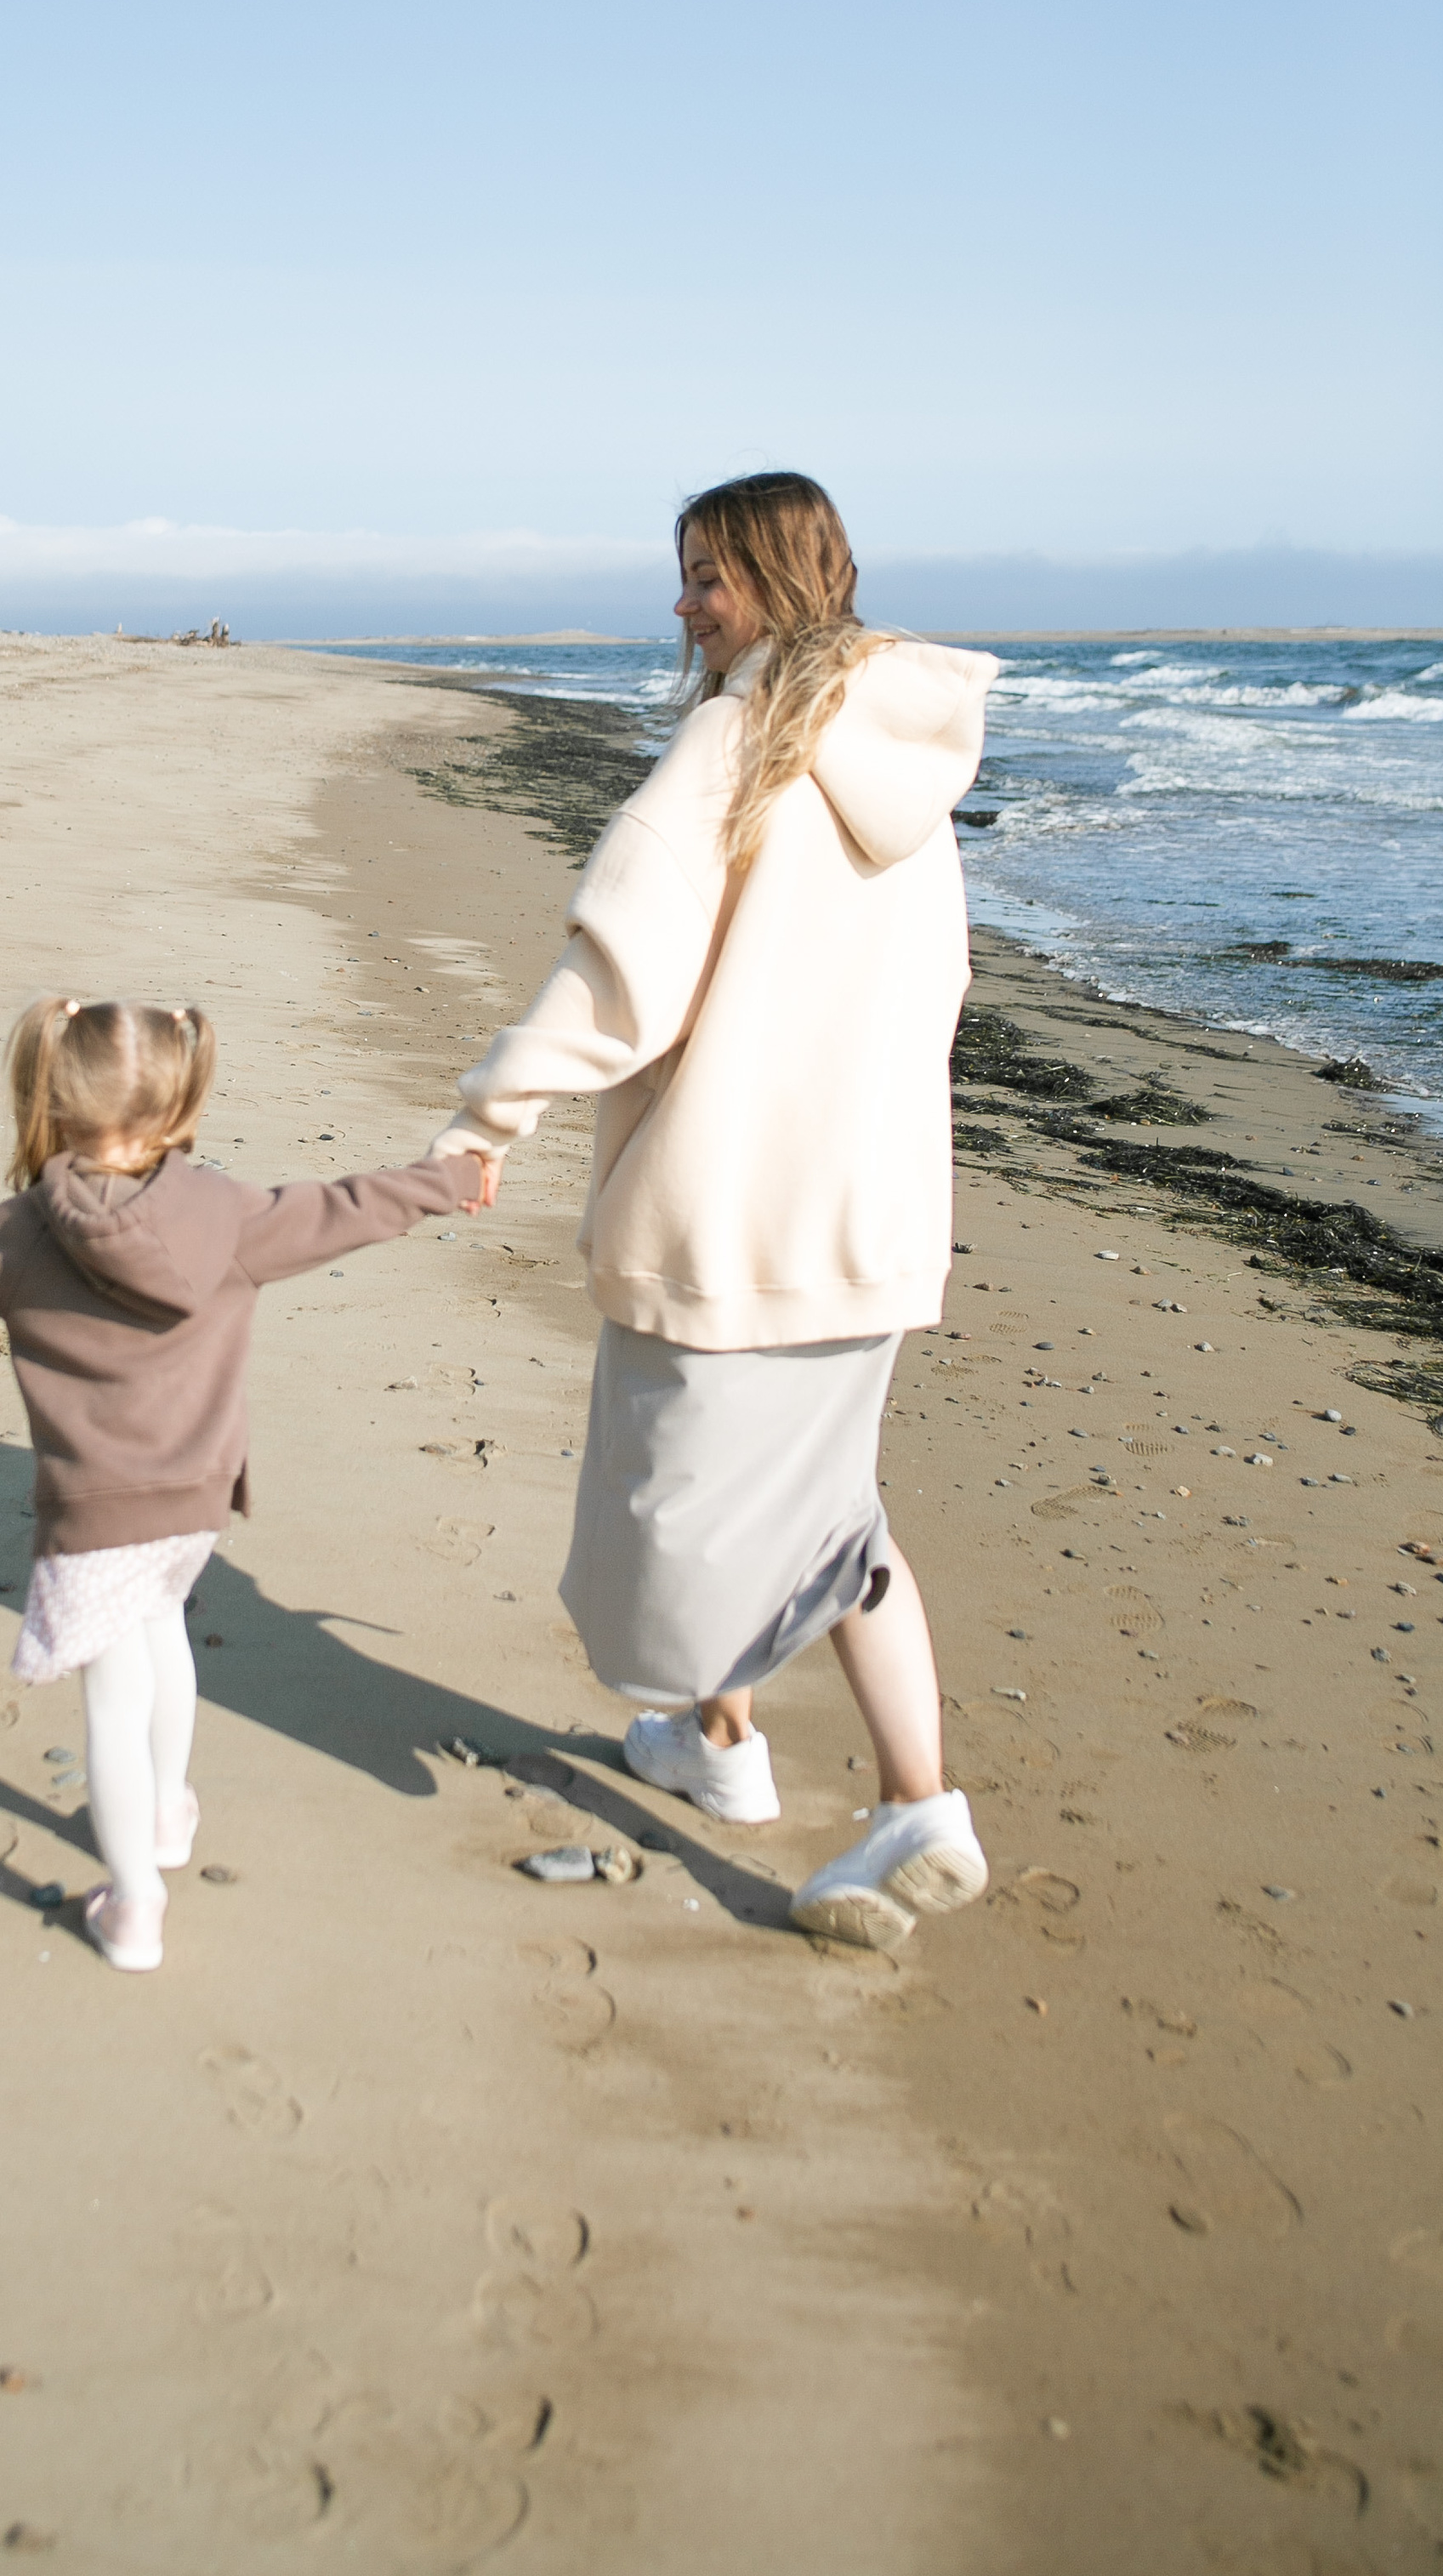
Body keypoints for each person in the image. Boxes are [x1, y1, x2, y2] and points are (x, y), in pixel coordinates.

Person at [430, 472, 998, 1952]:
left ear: (781, 580)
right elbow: (944, 989)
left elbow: (619, 973)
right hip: (873, 1215)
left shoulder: (735, 744)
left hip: (734, 1210)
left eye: (711, 579)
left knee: (706, 1513)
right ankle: (750, 1752)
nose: (684, 606)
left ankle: (889, 1800)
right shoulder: (908, 771)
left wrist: (491, 1118)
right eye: (683, 575)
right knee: (821, 1505)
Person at [0, 996, 496, 1973]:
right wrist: (448, 1179)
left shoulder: (22, 1234)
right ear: (182, 1097)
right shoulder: (230, 1215)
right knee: (162, 1634)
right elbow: (353, 1208)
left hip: (95, 1511)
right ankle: (168, 1814)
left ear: (47, 1101)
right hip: (197, 1501)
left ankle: (134, 1902)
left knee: (112, 1694)